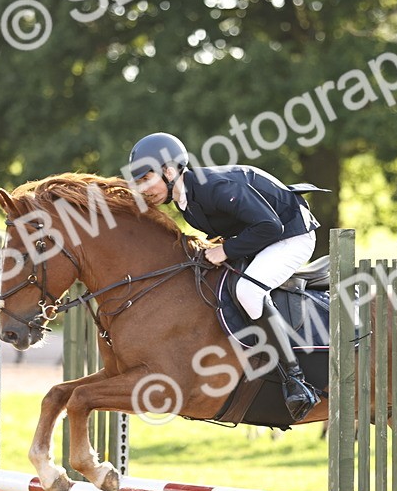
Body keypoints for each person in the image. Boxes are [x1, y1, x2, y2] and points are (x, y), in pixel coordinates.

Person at [127, 132, 324, 421]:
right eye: (138, 183)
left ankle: (295, 379)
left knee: (248, 291)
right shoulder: (188, 203)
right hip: (266, 235)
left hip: (292, 234)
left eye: (146, 179)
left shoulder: (214, 188)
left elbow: (269, 226)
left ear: (169, 171)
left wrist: (226, 250)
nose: (143, 189)